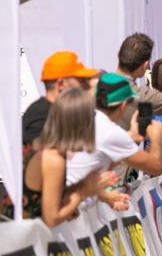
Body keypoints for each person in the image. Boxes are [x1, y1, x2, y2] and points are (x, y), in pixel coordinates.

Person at [14, 89, 127, 226]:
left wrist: (96, 192)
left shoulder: (50, 150)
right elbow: (51, 219)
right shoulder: (54, 159)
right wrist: (82, 193)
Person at [65, 73, 162, 185]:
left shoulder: (88, 118)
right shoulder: (111, 131)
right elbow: (155, 167)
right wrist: (156, 138)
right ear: (123, 105)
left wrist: (131, 135)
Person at [22, 52, 98, 148]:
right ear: (61, 84)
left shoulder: (57, 112)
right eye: (82, 80)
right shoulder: (42, 117)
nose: (88, 85)